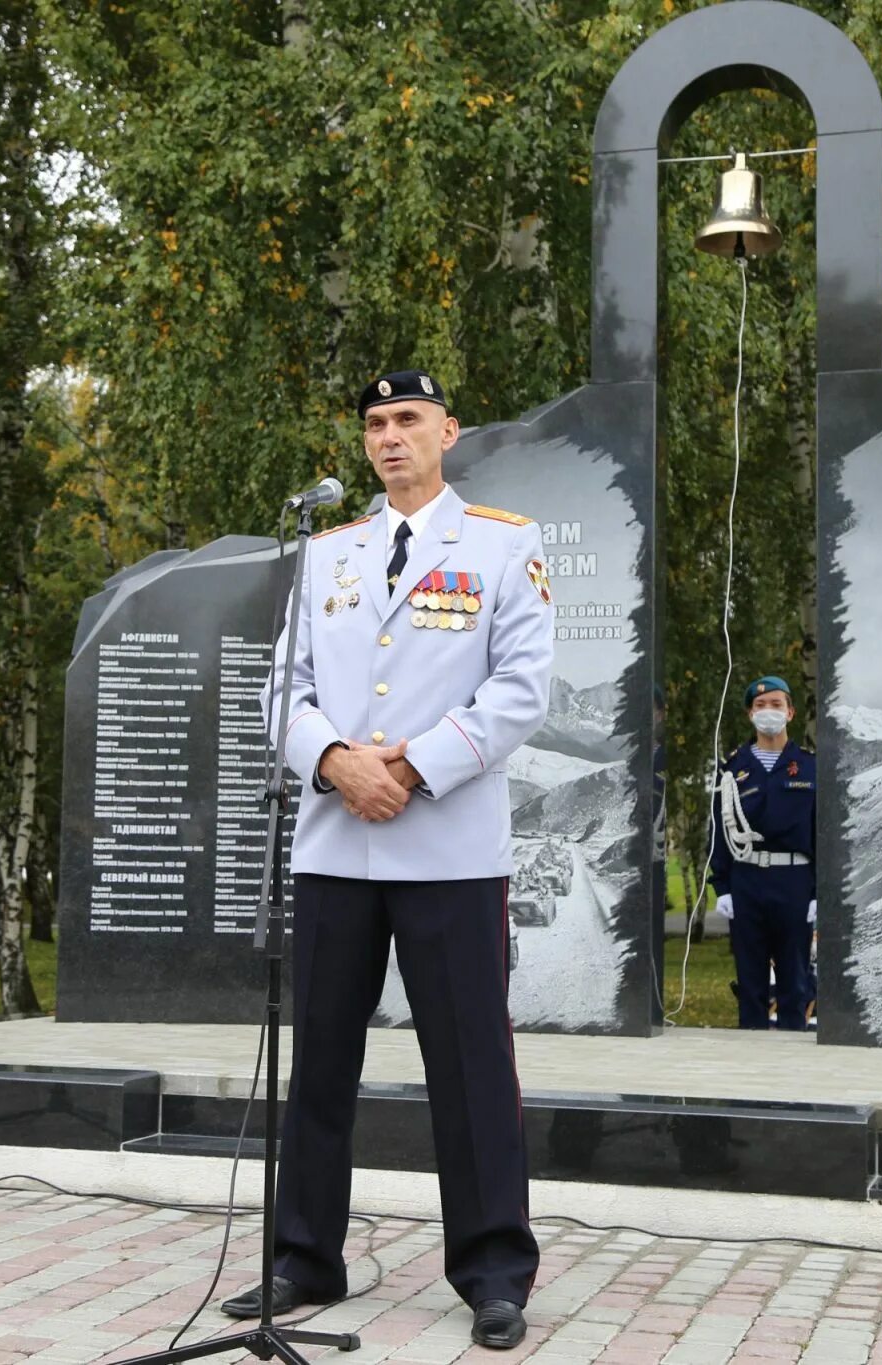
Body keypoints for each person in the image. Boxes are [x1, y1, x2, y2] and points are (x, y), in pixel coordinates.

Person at [223, 368, 555, 1351]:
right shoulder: (325, 552)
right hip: (334, 846)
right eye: (374, 423)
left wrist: (408, 765)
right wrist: (331, 759)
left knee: (469, 1067)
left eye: (408, 419)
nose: (389, 437)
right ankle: (301, 1257)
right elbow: (282, 686)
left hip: (446, 846)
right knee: (318, 1061)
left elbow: (522, 688)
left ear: (447, 431)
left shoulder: (502, 544)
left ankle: (493, 1270)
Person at [708, 676, 817, 1031]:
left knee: (795, 983)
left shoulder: (811, 766)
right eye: (760, 705)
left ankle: (794, 1070)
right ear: (749, 714)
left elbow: (822, 831)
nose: (768, 711)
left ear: (791, 712)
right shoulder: (733, 769)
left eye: (776, 704)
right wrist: (722, 887)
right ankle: (750, 1069)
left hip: (794, 882)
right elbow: (719, 830)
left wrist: (818, 892)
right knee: (751, 984)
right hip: (748, 880)